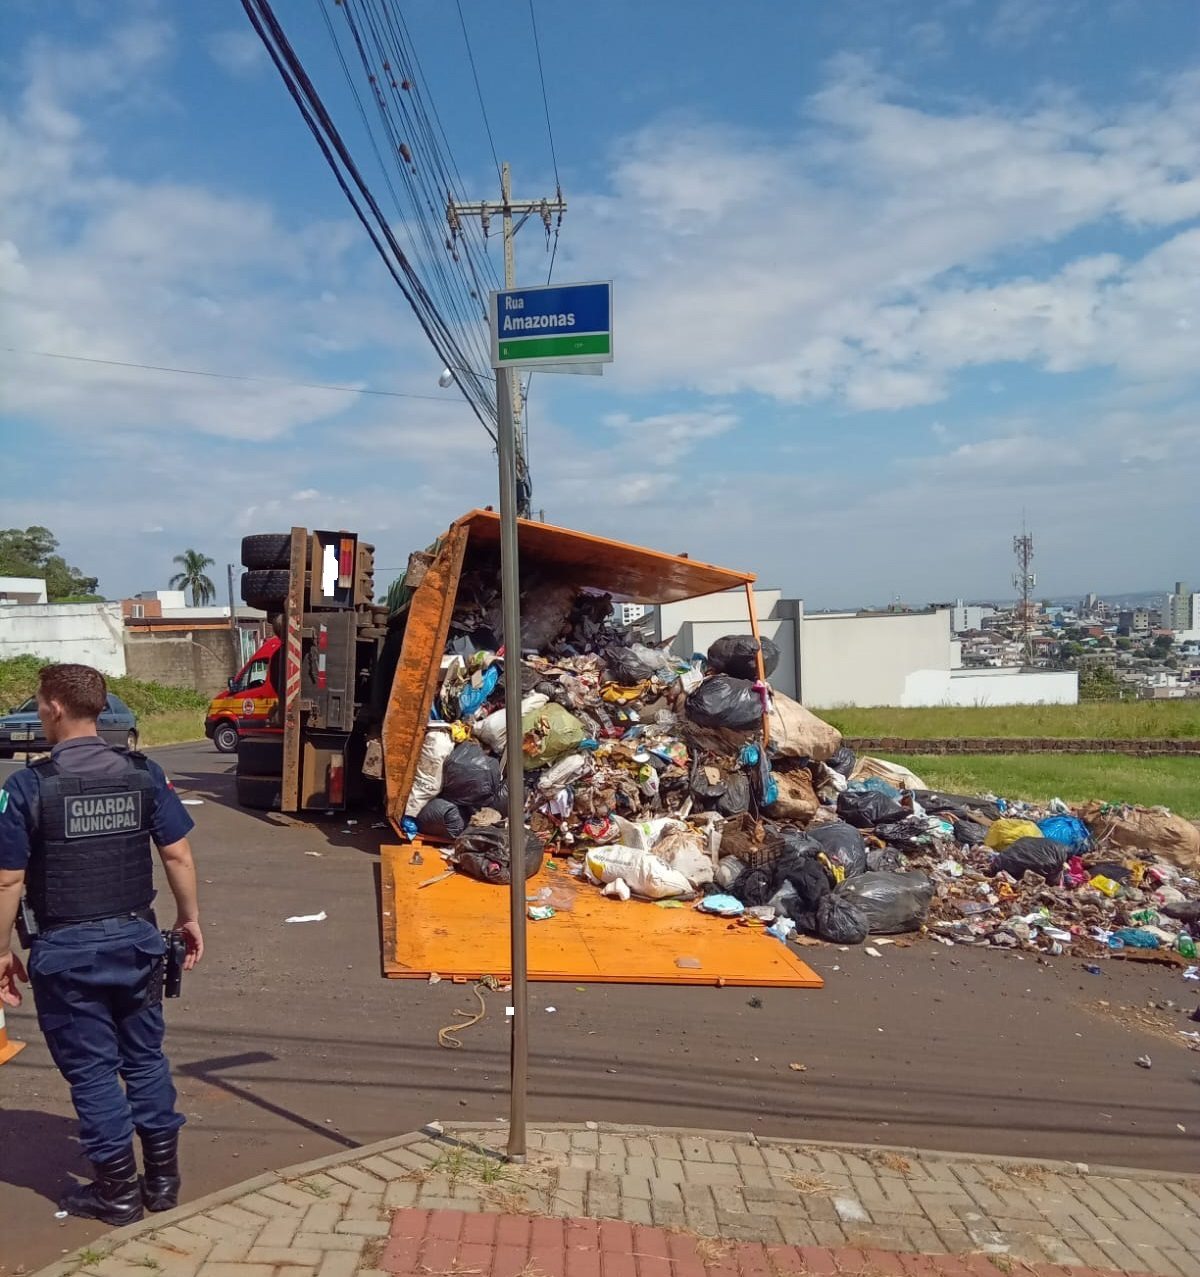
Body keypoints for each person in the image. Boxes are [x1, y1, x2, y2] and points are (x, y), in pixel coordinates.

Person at [0, 664, 203, 1225]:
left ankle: (116, 1193)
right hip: (137, 944)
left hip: (67, 952)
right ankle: (162, 1183)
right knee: (144, 1059)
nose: (40, 713)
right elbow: (178, 854)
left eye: (40, 704)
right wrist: (190, 918)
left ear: (56, 708)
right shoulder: (143, 773)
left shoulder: (27, 787)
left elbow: (8, 880)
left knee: (92, 1073)